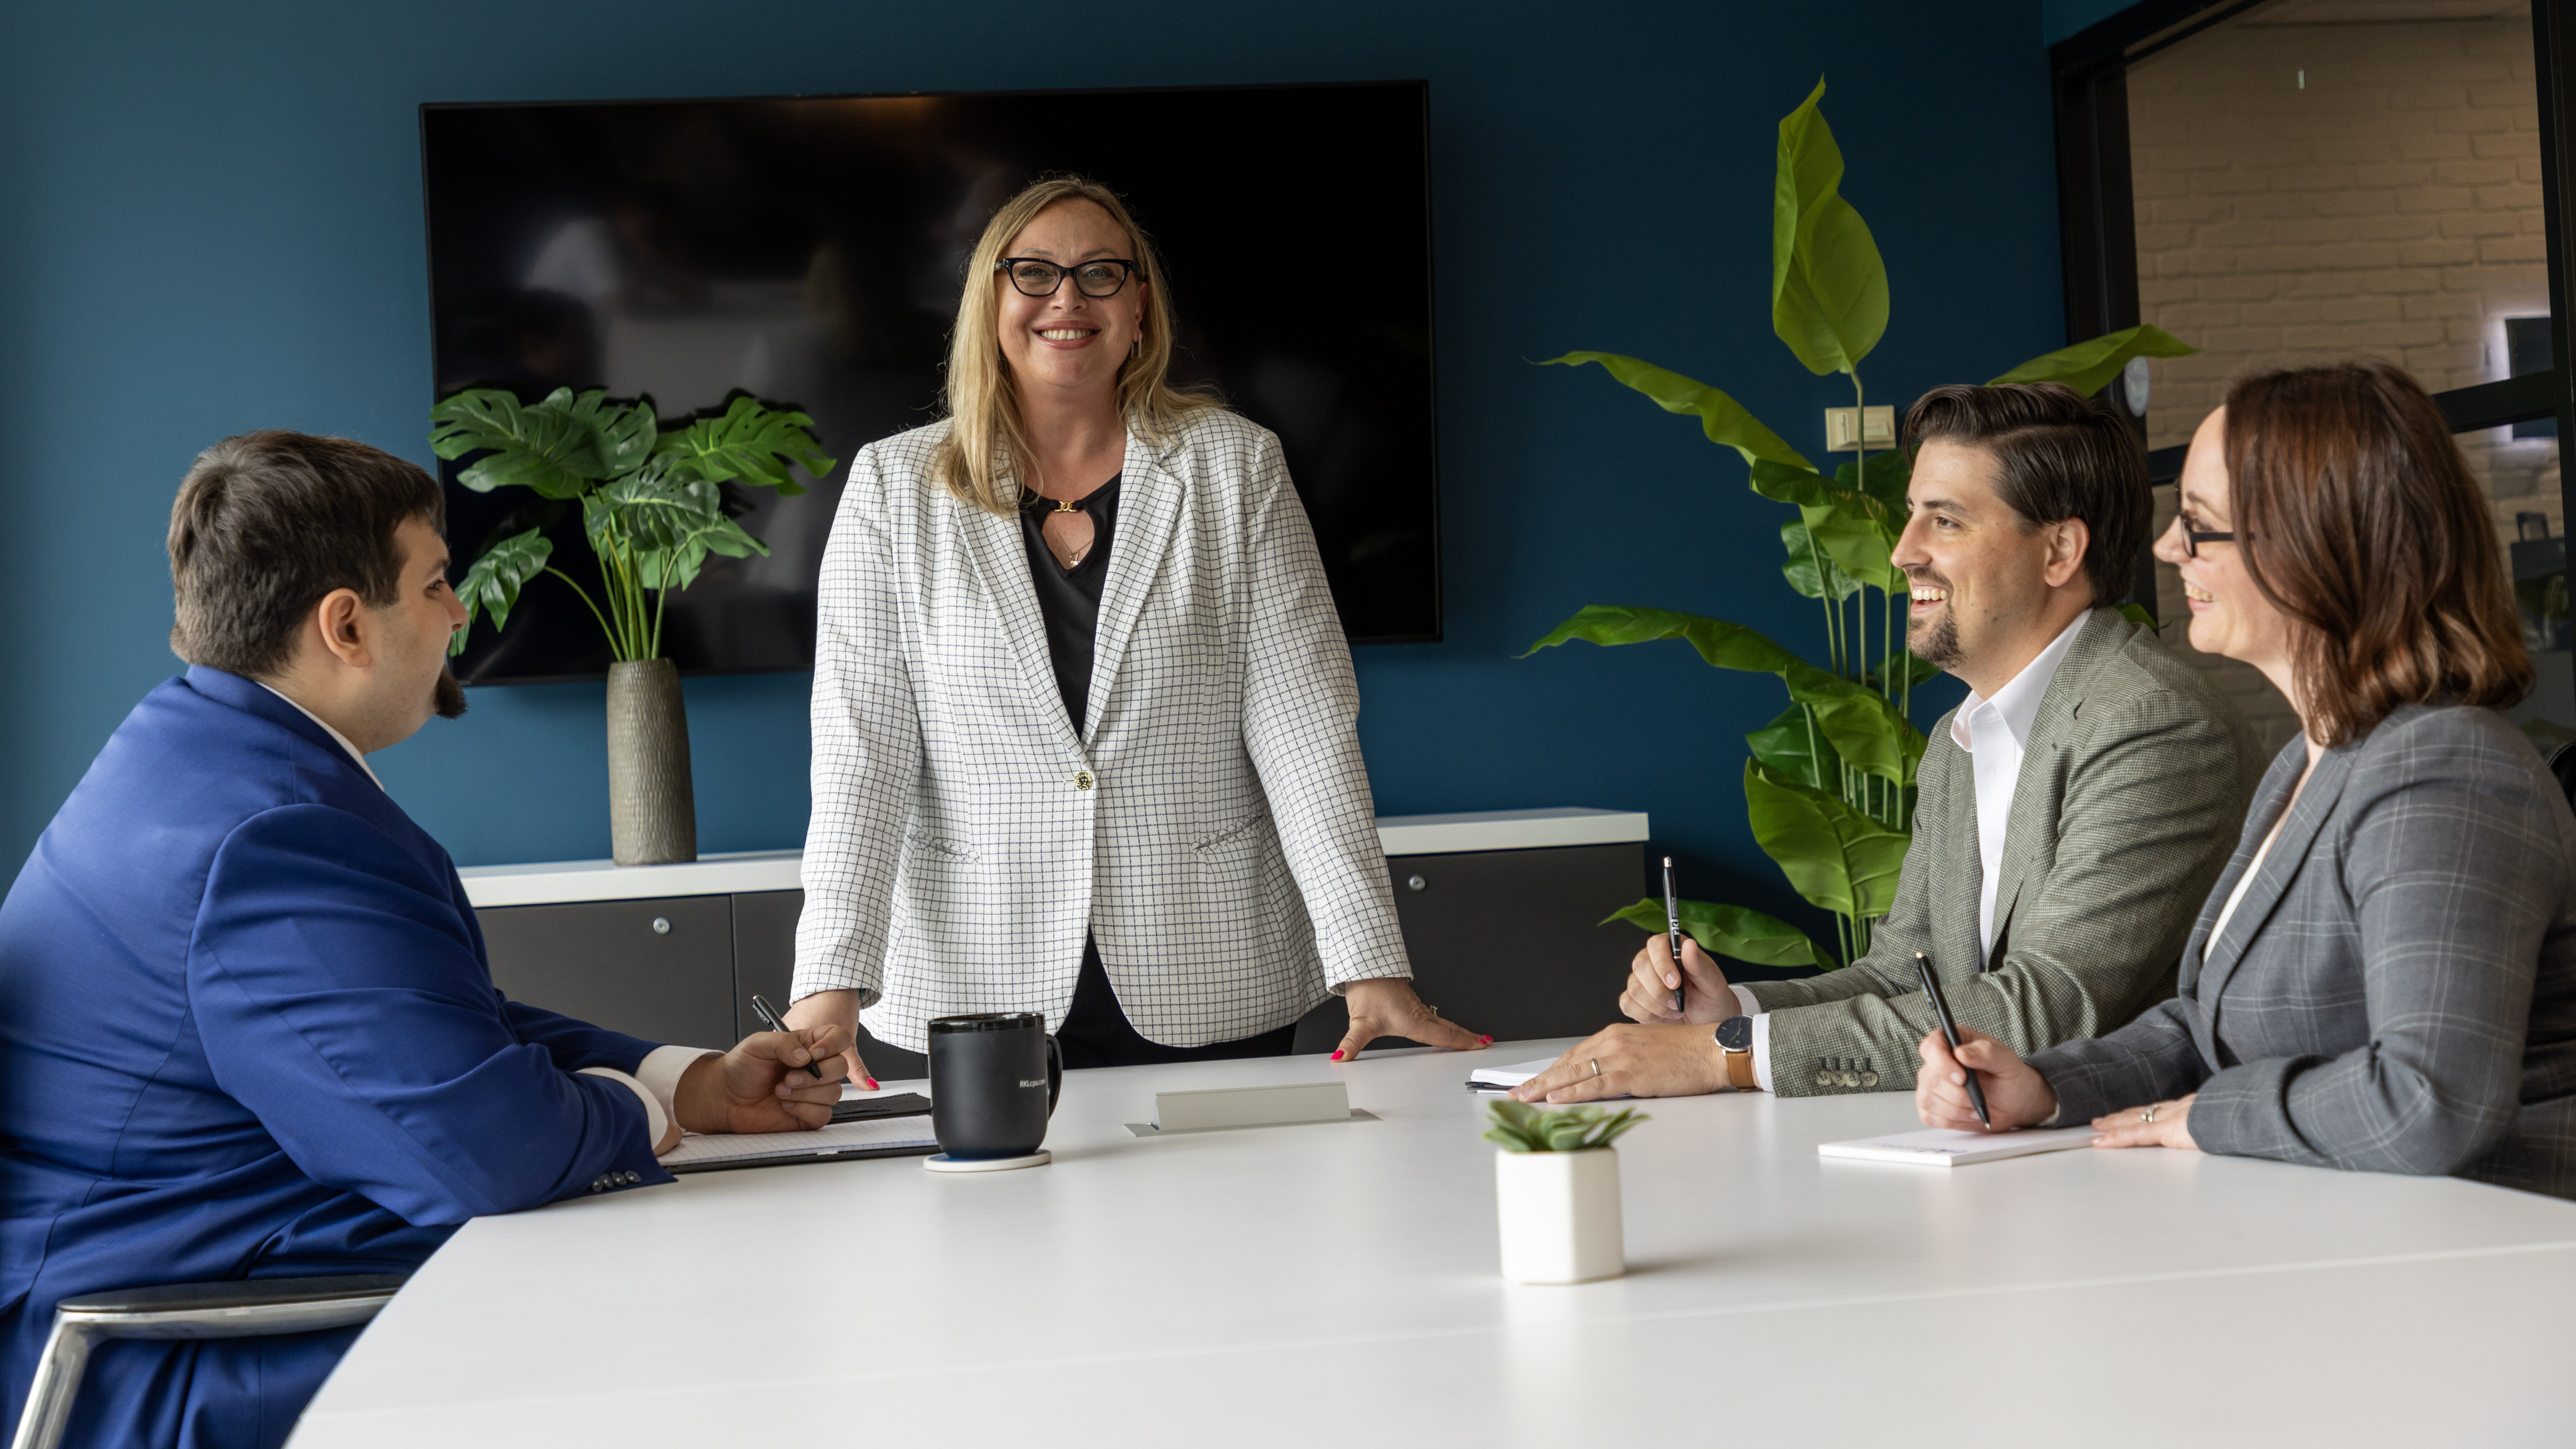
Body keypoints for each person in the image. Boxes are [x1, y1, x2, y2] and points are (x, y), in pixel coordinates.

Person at [0, 433, 851, 1449]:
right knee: (713, 1309)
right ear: (347, 625)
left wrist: (687, 1080)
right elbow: (485, 1152)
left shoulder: (200, 753)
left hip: (218, 1278)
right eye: (438, 583)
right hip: (174, 1349)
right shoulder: (270, 831)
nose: (460, 613)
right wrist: (635, 1109)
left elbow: (427, 1027)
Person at [786, 176, 1482, 1071]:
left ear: (1141, 304)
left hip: (1211, 967)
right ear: (989, 300)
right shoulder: (893, 487)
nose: (1067, 299)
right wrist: (828, 983)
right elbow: (860, 752)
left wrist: (1370, 964)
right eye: (1032, 273)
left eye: (1100, 273)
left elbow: (1306, 732)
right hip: (976, 980)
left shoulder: (1239, 468)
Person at [1917, 363, 2576, 1197]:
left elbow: (2428, 1100)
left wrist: (2197, 1117)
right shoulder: (2316, 762)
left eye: (2199, 525)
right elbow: (2209, 1027)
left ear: (2311, 544)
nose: (2167, 548)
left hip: (2491, 1257)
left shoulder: (2442, 772)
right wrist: (2048, 1086)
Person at [1516, 381, 2263, 1105]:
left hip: (2133, 1173)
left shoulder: (2152, 724)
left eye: (1945, 521)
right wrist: (1729, 1012)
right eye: (1912, 517)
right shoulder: (1959, 738)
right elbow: (1903, 976)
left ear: (2059, 551)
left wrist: (1724, 1056)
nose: (1902, 551)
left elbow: (2049, 1006)